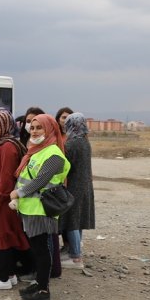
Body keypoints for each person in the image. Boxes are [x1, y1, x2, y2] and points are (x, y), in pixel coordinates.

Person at [10, 114, 71, 300]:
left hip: (41, 208)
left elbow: (40, 181)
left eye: (39, 128)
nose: (34, 131)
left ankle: (44, 289)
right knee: (37, 250)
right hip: (31, 207)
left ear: (50, 129)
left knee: (42, 250)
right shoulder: (37, 151)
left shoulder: (53, 154)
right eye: (33, 127)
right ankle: (39, 283)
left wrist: (18, 193)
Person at [0, 109, 29, 290]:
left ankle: (3, 279)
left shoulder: (8, 146)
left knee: (3, 236)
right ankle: (10, 275)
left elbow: (7, 176)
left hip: (2, 201)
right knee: (4, 236)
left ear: (6, 127)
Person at [59, 112, 95, 270]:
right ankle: (75, 252)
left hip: (74, 186)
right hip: (85, 186)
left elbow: (65, 166)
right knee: (78, 220)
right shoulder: (85, 142)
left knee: (72, 221)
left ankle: (75, 257)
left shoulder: (71, 144)